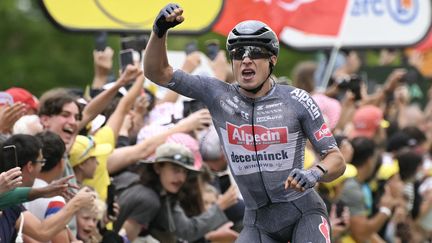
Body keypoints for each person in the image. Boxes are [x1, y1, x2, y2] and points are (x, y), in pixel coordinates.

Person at [143, 3, 346, 242]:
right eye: (238, 53)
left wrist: (314, 174)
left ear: (272, 59)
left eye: (255, 52)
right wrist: (159, 31)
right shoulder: (217, 94)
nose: (246, 60)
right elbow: (157, 72)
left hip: (303, 213)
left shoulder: (297, 99)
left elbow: (336, 159)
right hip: (257, 222)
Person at [114, 142, 236, 242]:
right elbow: (123, 240)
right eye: (175, 170)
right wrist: (219, 207)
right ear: (157, 168)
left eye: (184, 172)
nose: (181, 178)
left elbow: (186, 230)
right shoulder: (148, 200)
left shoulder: (162, 193)